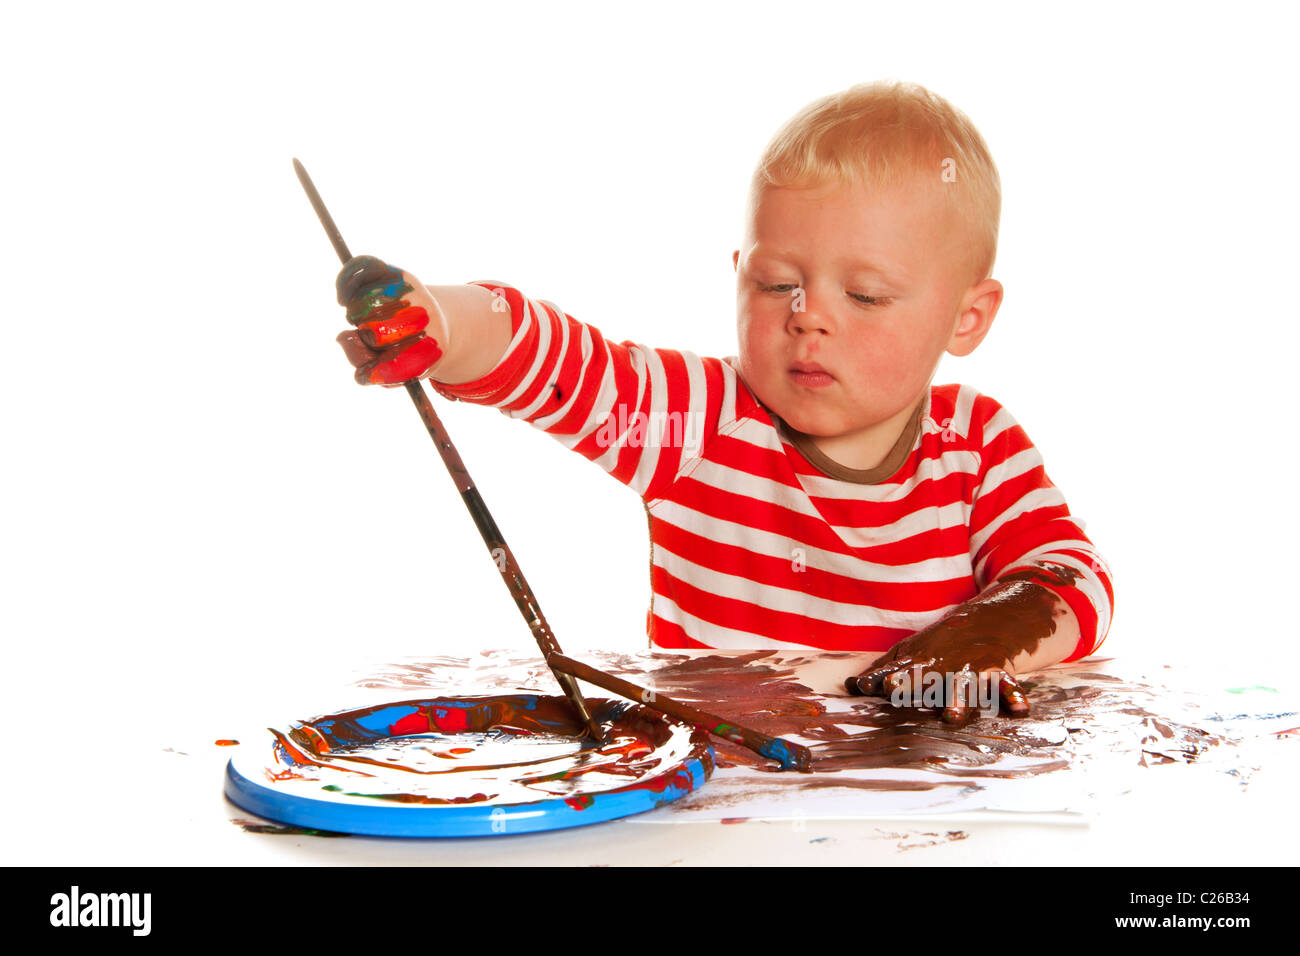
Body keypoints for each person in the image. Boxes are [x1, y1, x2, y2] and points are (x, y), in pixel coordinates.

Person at [334, 81, 1114, 724]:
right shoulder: (697, 420)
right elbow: (554, 358)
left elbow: (1073, 575)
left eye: (867, 295)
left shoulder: (975, 445)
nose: (809, 314)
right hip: (727, 798)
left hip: (928, 807)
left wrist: (989, 635)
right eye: (777, 283)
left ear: (965, 317)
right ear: (740, 269)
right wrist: (441, 321)